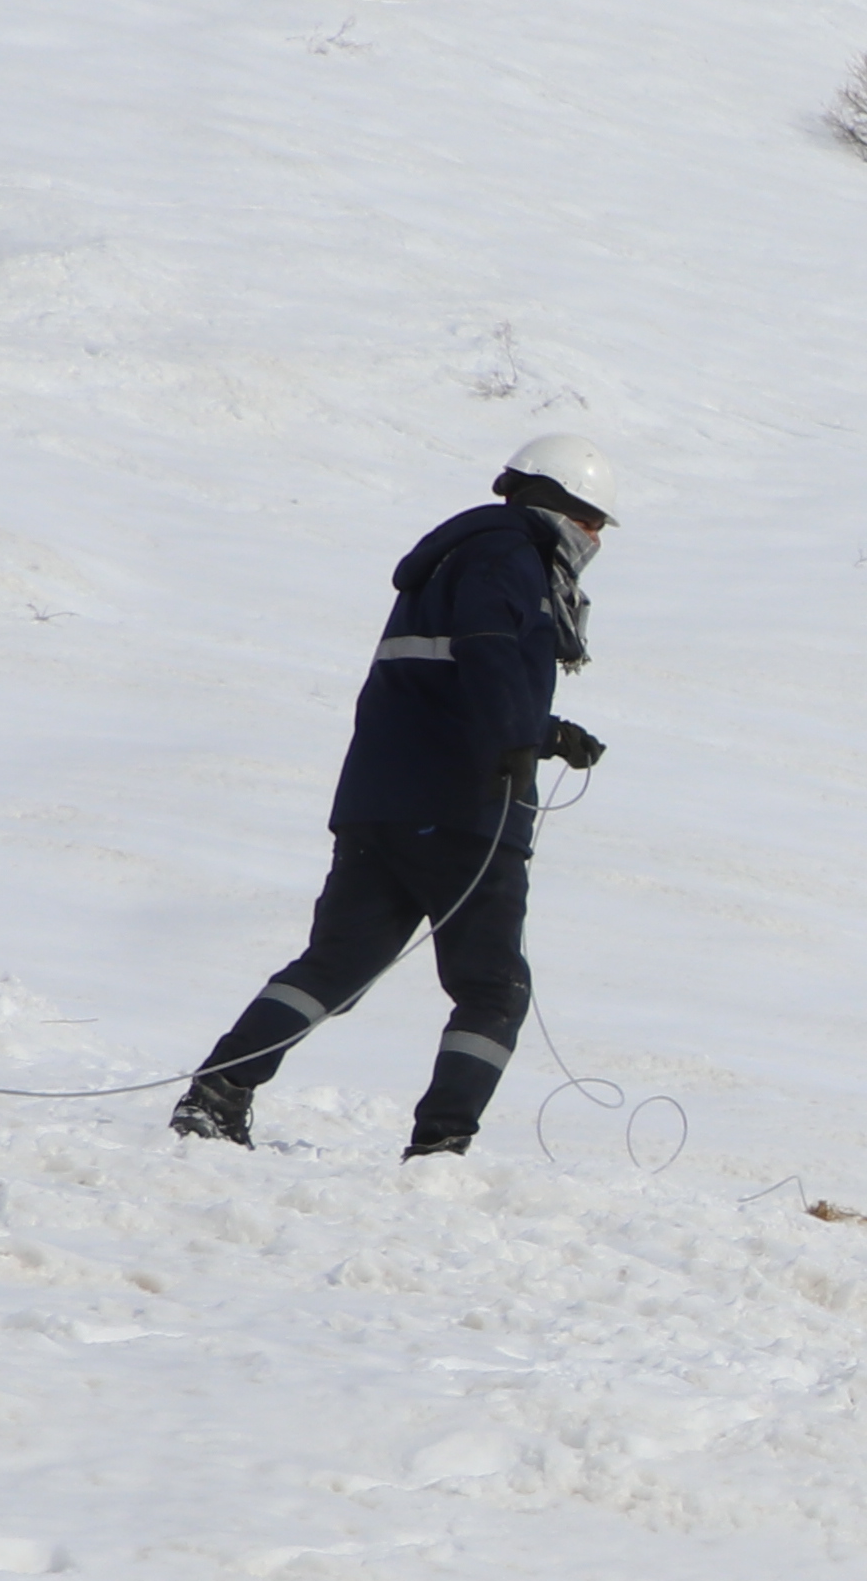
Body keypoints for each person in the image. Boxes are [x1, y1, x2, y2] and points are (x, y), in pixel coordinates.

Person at [173, 437, 617, 1156]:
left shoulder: (456, 557)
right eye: (593, 520)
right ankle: (441, 1150)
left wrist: (543, 727)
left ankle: (219, 1092)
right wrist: (529, 735)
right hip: (465, 805)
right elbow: (491, 654)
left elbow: (451, 667)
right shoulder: (510, 555)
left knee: (335, 966)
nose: (595, 538)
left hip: (381, 800)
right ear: (561, 506)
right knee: (493, 990)